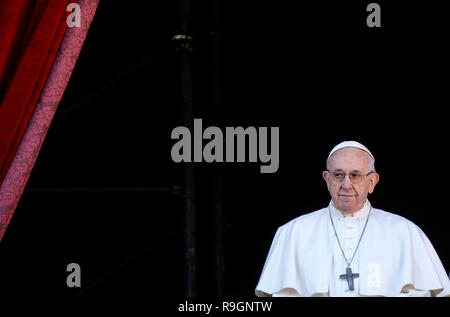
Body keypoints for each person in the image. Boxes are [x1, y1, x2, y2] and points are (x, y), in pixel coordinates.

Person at [255, 141, 450, 297]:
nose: (346, 185)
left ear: (372, 181)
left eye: (355, 175)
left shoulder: (406, 233)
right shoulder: (293, 233)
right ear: (327, 179)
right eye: (339, 175)